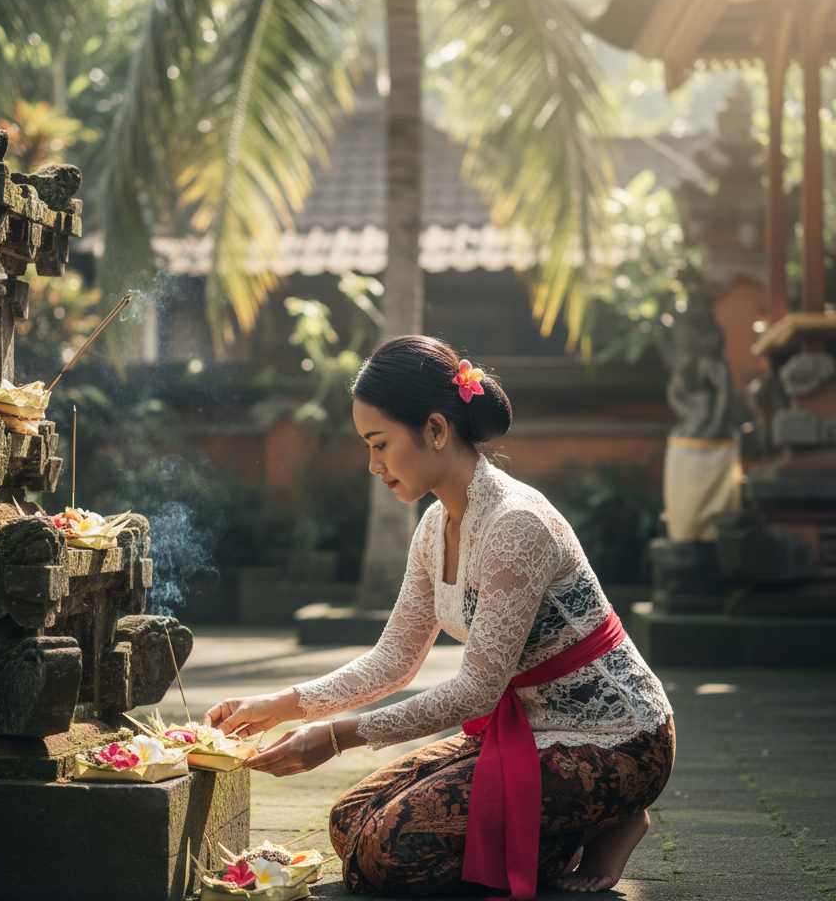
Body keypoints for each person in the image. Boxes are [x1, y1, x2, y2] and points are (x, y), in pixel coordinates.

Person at [204, 336, 674, 899]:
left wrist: (334, 738)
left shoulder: (515, 527)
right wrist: (275, 707)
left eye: (379, 444)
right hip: (530, 729)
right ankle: (575, 825)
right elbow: (394, 660)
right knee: (349, 822)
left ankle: (608, 819)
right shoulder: (433, 528)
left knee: (388, 854)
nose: (373, 465)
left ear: (434, 429)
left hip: (618, 739)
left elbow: (475, 693)